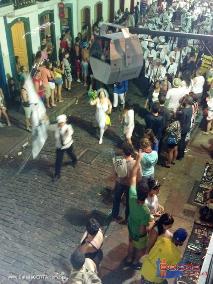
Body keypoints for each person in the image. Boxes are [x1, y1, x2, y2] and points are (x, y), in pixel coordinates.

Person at [126, 151, 154, 270]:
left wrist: (138, 159)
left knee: (131, 243)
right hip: (139, 233)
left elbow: (133, 175)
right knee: (139, 248)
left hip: (130, 225)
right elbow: (144, 228)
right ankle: (135, 262)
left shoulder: (132, 195)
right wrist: (145, 233)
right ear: (147, 194)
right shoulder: (145, 211)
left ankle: (128, 259)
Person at [112, 143, 141, 223]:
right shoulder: (135, 163)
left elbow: (115, 173)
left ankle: (114, 216)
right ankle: (127, 219)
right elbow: (139, 177)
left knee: (116, 199)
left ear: (123, 152)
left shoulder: (119, 161)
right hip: (130, 185)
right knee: (129, 203)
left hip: (120, 183)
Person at [53, 114, 77, 181]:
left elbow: (71, 132)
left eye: (62, 123)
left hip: (68, 144)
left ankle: (74, 160)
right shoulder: (56, 126)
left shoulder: (68, 127)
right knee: (58, 160)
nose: (60, 124)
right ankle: (57, 174)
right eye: (59, 123)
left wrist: (67, 132)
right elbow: (49, 127)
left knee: (70, 153)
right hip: (59, 147)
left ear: (64, 122)